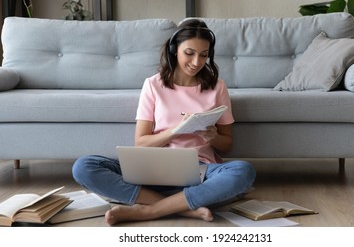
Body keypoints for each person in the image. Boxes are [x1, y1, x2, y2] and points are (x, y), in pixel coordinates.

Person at [72, 19, 256, 225]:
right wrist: (176, 130)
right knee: (84, 166)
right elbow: (140, 143)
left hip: (200, 170)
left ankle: (148, 210)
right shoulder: (153, 85)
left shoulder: (217, 87)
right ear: (174, 49)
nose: (196, 62)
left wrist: (213, 138)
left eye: (204, 55)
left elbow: (227, 145)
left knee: (243, 171)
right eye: (189, 53)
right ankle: (186, 208)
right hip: (154, 169)